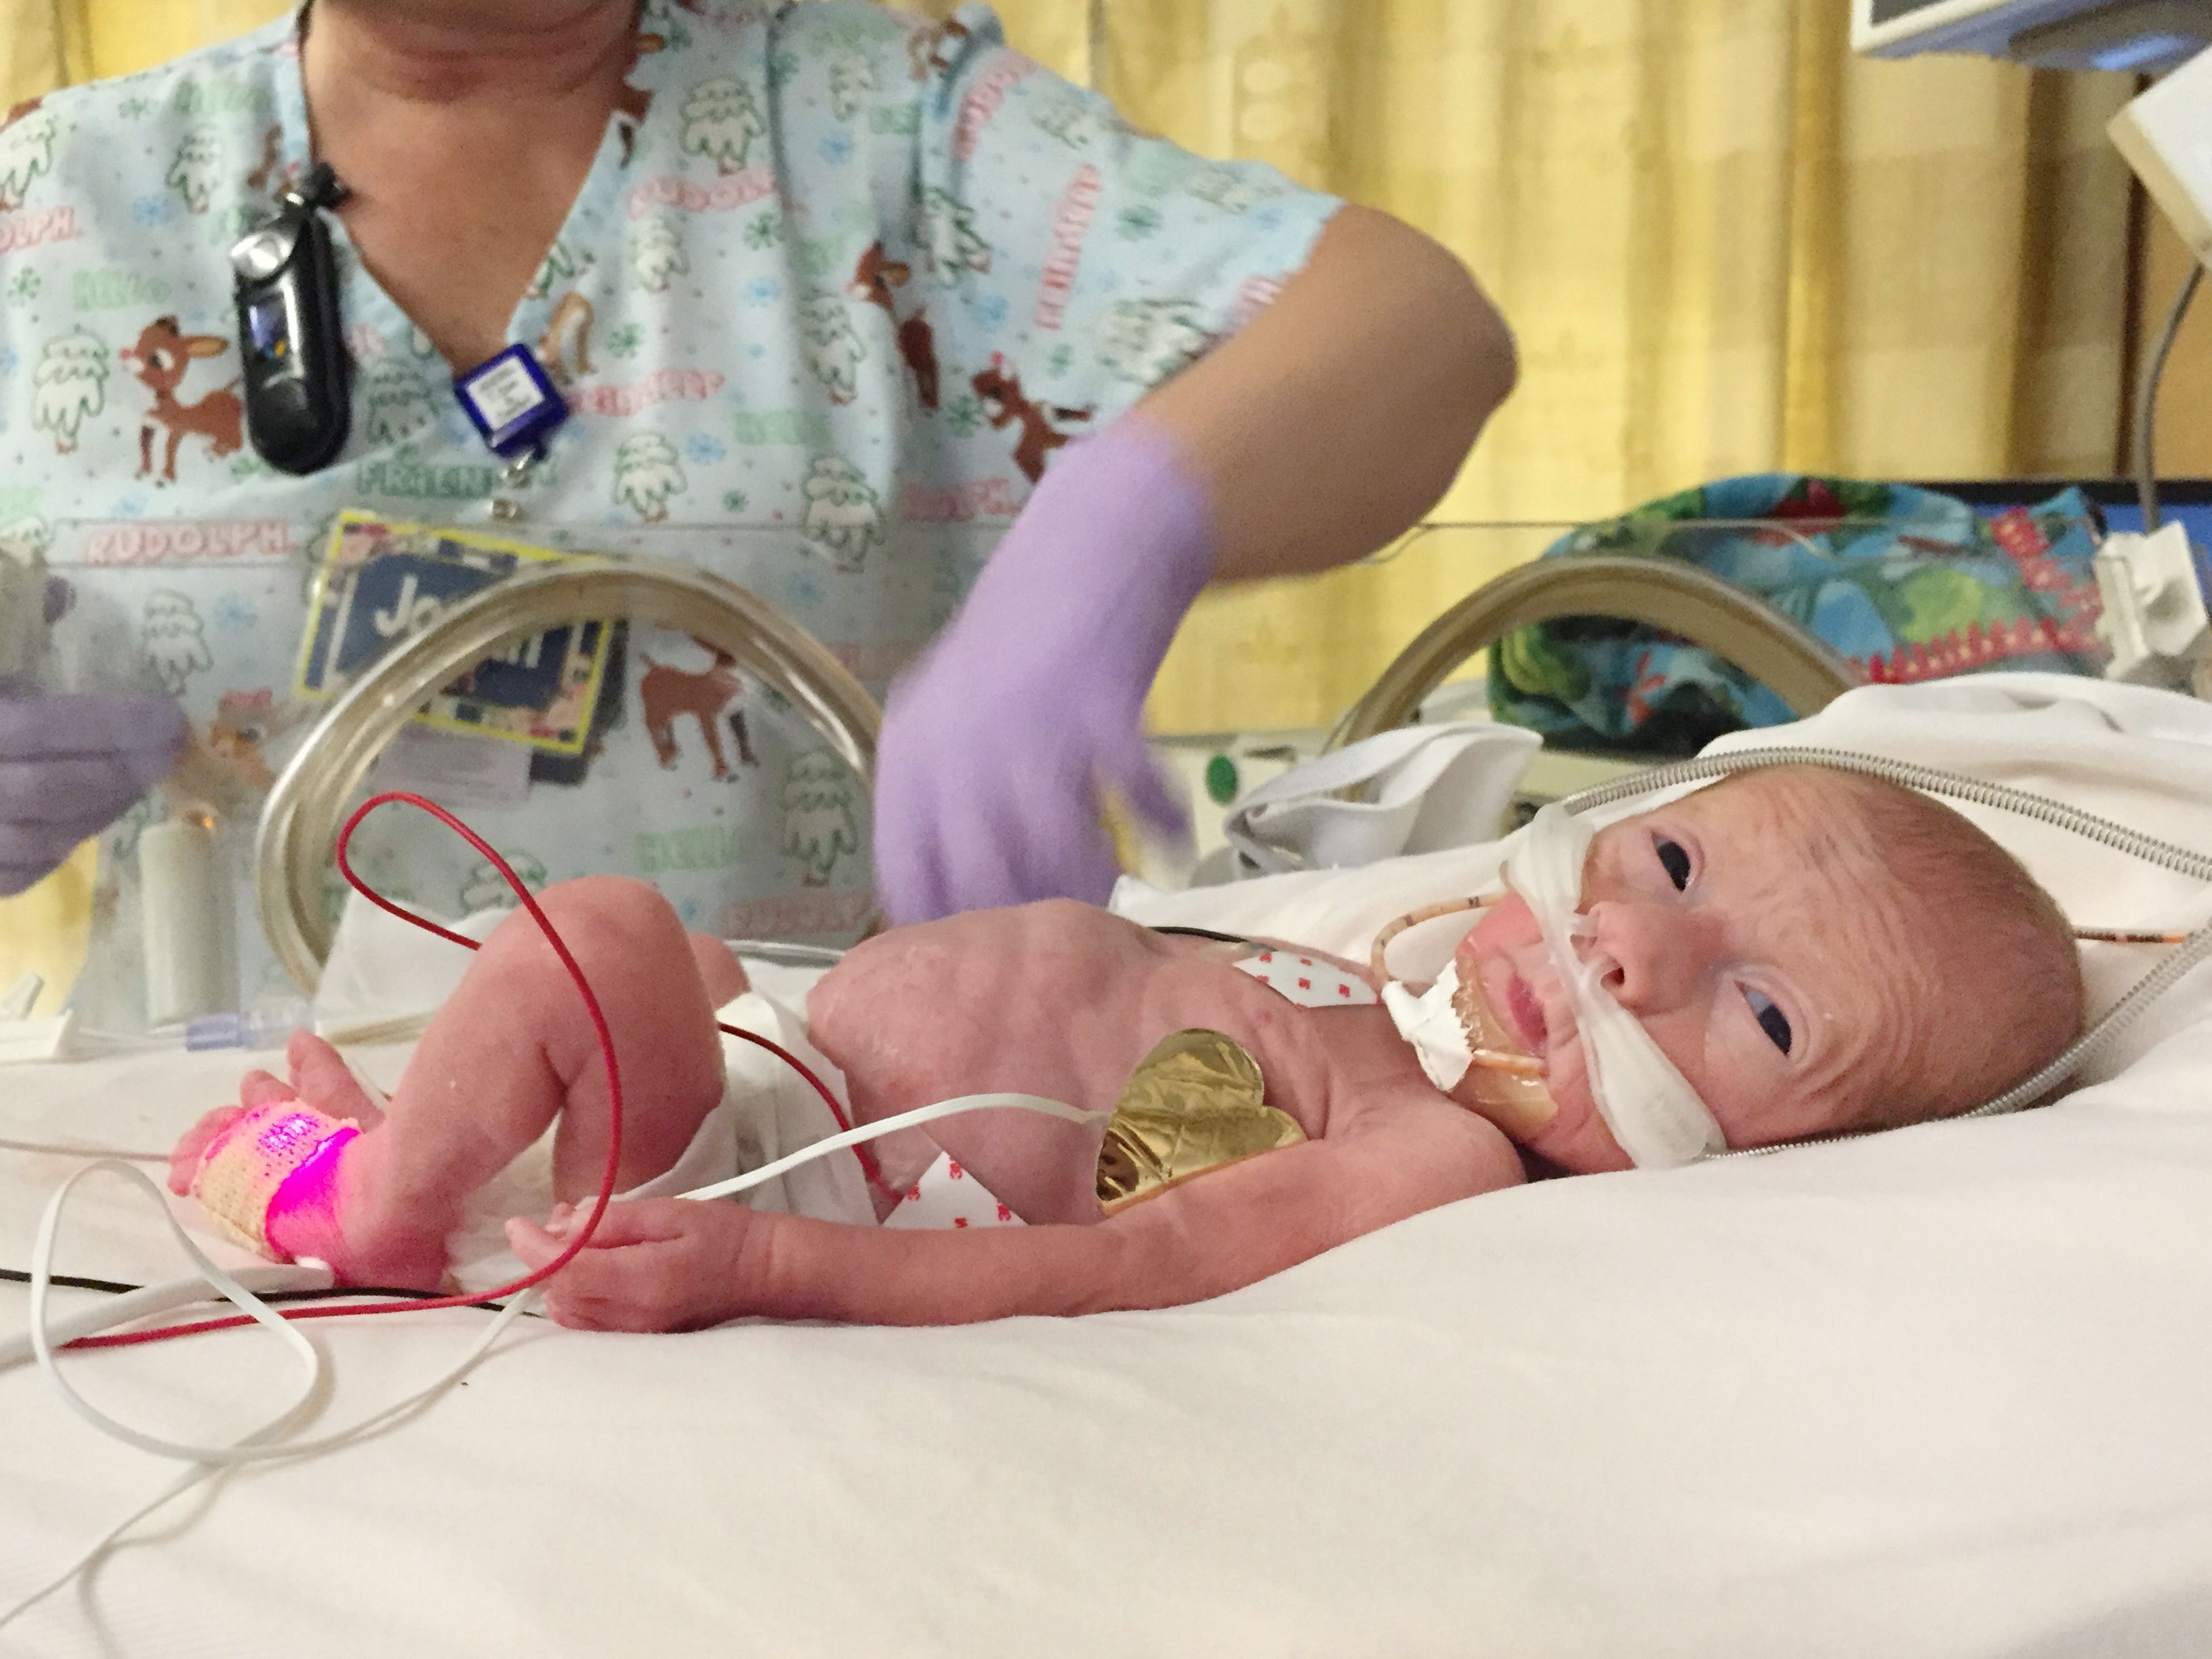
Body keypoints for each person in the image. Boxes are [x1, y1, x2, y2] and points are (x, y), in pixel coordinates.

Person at [0, 0, 1516, 960]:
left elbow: (1419, 330)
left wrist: (1120, 533)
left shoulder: (886, 124)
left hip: (814, 1159)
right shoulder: (66, 196)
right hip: (228, 1210)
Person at [166, 766, 2086, 1328]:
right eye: (1671, 856)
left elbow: (1139, 1261)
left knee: (600, 938)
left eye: (1759, 1012)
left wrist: (777, 1261)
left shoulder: (1436, 1155)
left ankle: (394, 1215)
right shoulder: (1391, 1001)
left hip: (810, 1174)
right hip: (771, 1074)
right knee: (615, 947)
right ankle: (427, 1153)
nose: (1631, 943)